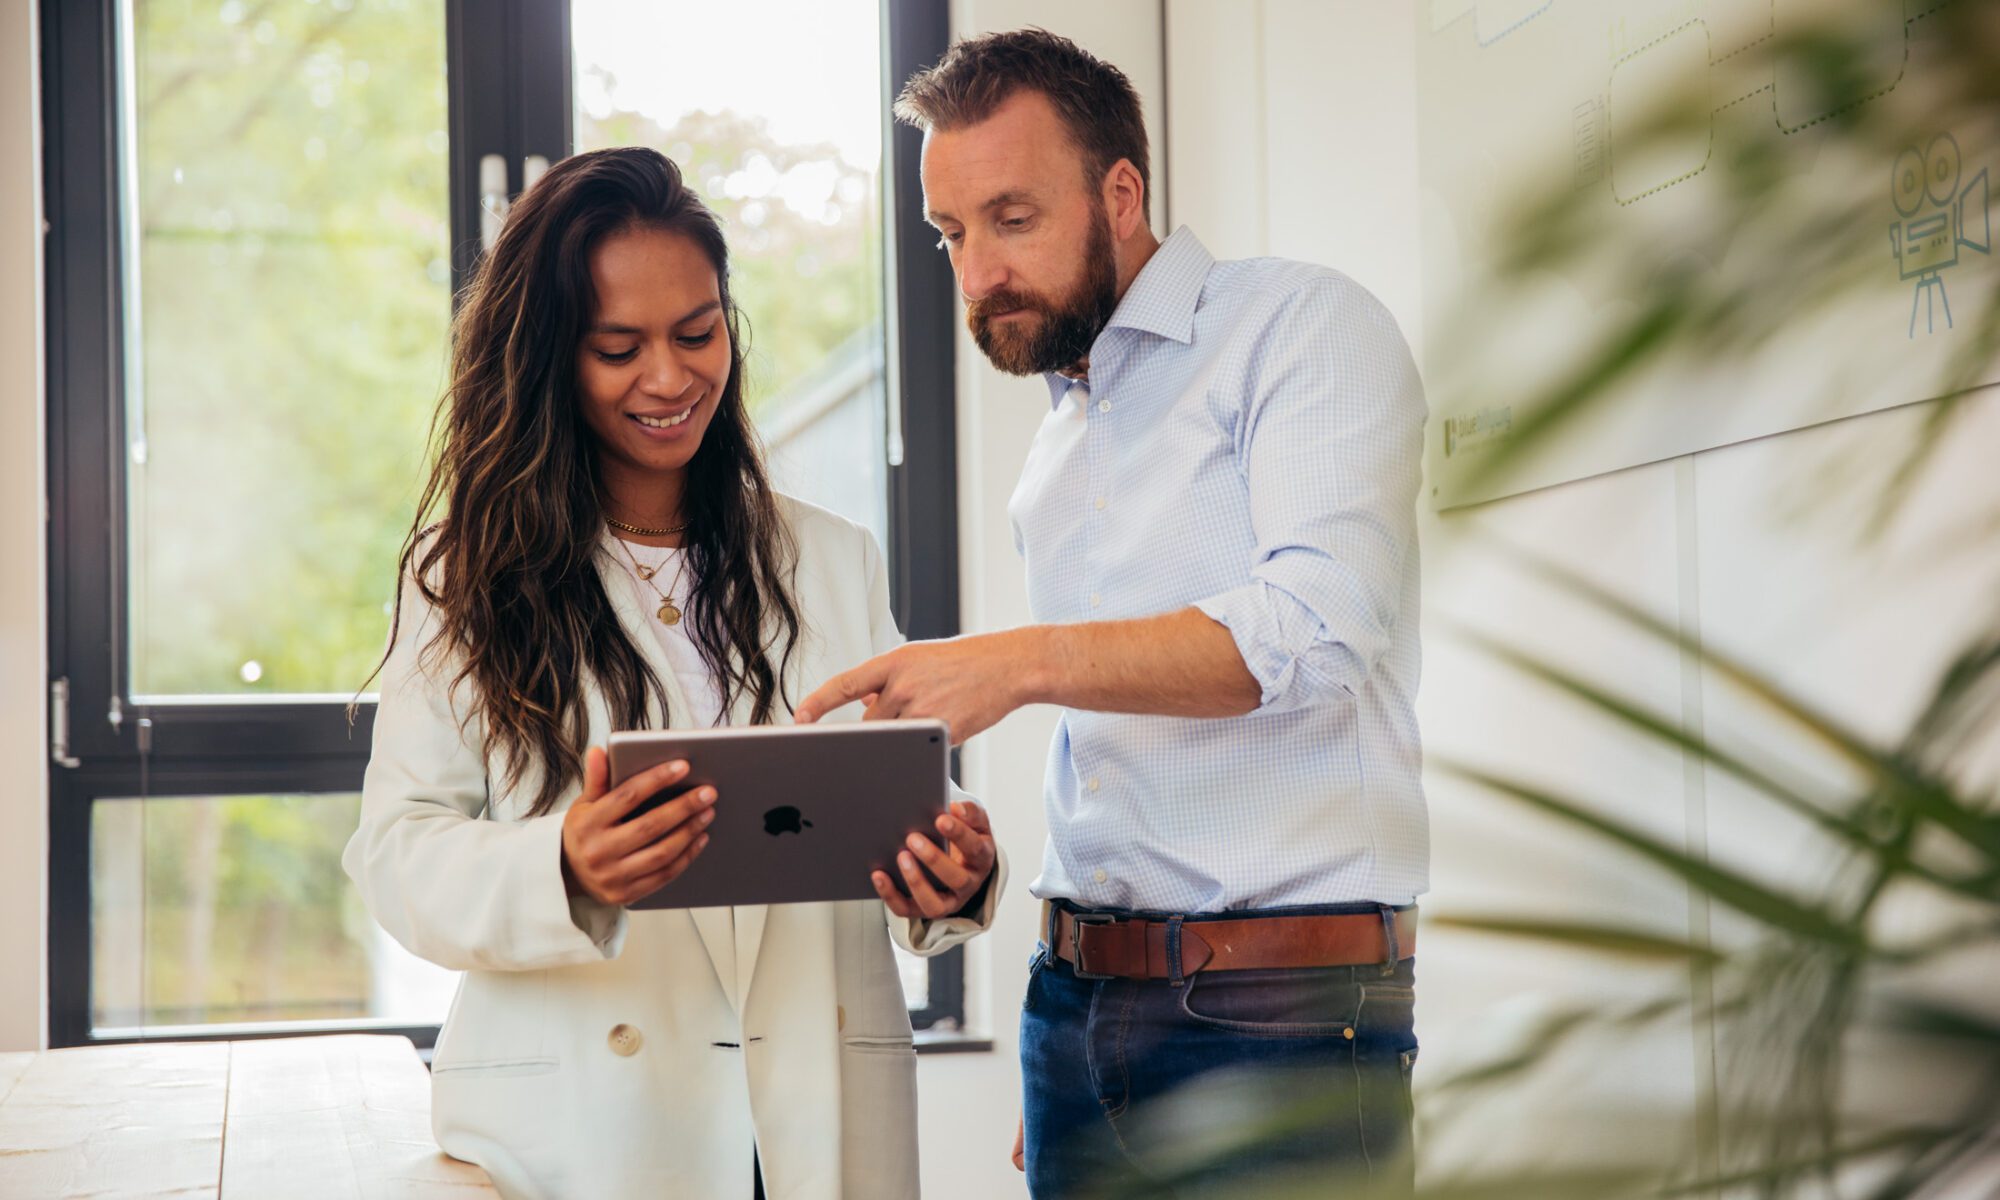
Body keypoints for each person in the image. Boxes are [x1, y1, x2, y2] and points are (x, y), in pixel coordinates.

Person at [793, 29, 1428, 1198]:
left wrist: (1014, 664)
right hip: (1083, 1007)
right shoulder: (1062, 432)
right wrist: (1086, 1046)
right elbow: (1113, 742)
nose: (976, 270)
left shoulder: (1298, 328)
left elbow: (1315, 629)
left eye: (1010, 219)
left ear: (1119, 193)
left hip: (1275, 1017)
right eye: (949, 234)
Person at [343, 146, 1005, 1200]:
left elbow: (870, 788)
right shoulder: (463, 579)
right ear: (549, 358)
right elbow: (397, 853)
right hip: (584, 1135)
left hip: (809, 1116)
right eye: (619, 347)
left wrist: (950, 868)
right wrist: (562, 863)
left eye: (697, 333)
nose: (670, 377)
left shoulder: (828, 557)